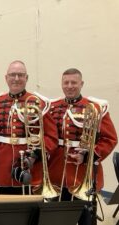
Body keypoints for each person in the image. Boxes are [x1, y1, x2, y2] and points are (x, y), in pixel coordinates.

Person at [48, 68, 118, 224]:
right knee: (59, 218)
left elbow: (110, 138)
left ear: (81, 84)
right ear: (61, 84)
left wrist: (87, 155)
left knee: (85, 219)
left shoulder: (96, 108)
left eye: (74, 82)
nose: (70, 86)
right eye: (66, 82)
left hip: (82, 172)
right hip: (57, 172)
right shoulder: (52, 107)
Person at [0, 60, 58, 195]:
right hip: (2, 166)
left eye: (20, 75)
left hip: (31, 165)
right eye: (12, 75)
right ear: (6, 78)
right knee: (5, 209)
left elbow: (51, 136)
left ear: (27, 78)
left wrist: (36, 154)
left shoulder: (39, 103)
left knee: (30, 210)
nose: (16, 79)